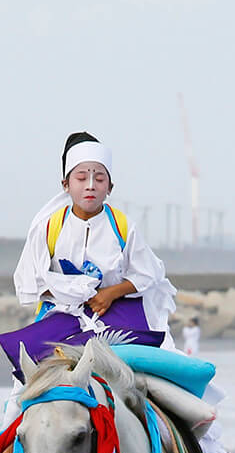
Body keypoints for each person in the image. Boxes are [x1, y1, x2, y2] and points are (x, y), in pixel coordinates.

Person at [12, 132, 177, 341]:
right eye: (81, 178)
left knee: (145, 361)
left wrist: (111, 293)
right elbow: (30, 282)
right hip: (61, 315)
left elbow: (147, 274)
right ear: (65, 185)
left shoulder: (123, 226)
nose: (90, 185)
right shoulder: (47, 227)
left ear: (110, 187)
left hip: (114, 313)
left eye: (99, 179)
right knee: (28, 364)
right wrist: (73, 294)